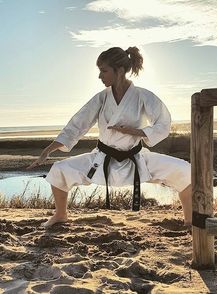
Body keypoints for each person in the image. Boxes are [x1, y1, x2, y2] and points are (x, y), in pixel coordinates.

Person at [28, 47, 192, 228]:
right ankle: (60, 214)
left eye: (104, 71)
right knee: (59, 170)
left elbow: (163, 124)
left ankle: (190, 220)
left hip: (136, 160)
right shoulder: (101, 98)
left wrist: (135, 132)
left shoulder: (142, 96)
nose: (100, 76)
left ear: (119, 70)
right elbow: (77, 126)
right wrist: (47, 150)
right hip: (101, 159)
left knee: (184, 170)